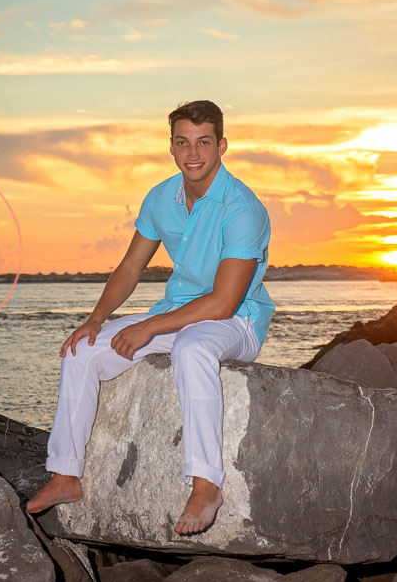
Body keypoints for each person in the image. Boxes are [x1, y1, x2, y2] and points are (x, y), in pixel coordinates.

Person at [25, 99, 274, 535]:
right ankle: (66, 474)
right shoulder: (161, 198)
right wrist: (97, 319)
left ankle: (205, 484)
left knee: (193, 347)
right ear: (172, 147)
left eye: (203, 143)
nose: (192, 154)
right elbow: (130, 267)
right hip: (176, 314)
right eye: (183, 143)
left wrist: (148, 326)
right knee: (81, 351)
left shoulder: (243, 208)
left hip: (238, 321)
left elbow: (223, 303)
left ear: (222, 146)